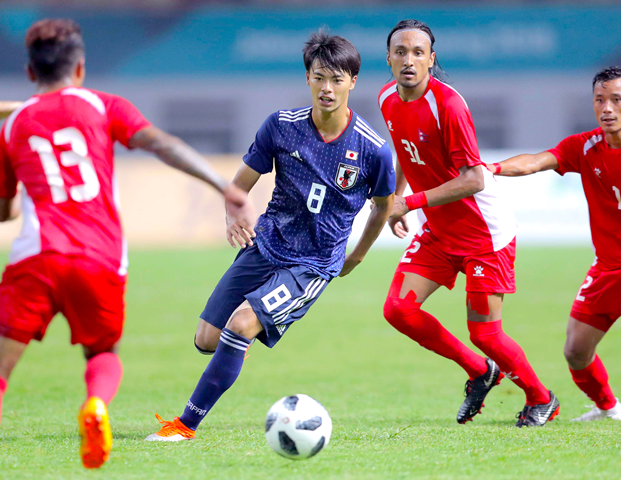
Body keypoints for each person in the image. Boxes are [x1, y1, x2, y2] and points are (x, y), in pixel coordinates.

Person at [0, 19, 254, 469]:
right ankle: (95, 404)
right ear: (80, 67)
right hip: (99, 256)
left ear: (29, 73)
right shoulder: (104, 105)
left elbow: (6, 212)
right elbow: (162, 144)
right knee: (101, 353)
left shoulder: (13, 125)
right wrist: (223, 185)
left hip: (37, 256)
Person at [145, 31, 395, 441]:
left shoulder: (373, 150)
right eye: (319, 78)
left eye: (336, 79)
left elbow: (382, 206)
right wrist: (231, 216)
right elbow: (238, 186)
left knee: (241, 324)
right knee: (206, 339)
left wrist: (357, 256)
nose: (327, 88)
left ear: (353, 81)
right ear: (308, 79)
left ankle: (184, 427)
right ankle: (236, 347)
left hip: (311, 264)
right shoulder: (281, 127)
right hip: (266, 245)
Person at [379, 19, 558, 427]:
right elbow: (402, 148)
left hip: (484, 235)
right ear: (388, 59)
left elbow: (475, 178)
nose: (409, 60)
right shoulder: (388, 98)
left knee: (485, 334)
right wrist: (395, 196)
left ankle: (541, 398)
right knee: (398, 310)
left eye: (418, 53)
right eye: (401, 52)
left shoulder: (450, 105)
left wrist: (410, 202)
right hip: (439, 231)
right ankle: (480, 371)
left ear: (431, 59)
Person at [488, 66, 621, 422]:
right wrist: (489, 168)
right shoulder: (584, 147)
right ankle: (607, 408)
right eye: (599, 100)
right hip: (608, 266)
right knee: (575, 351)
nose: (606, 108)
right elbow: (535, 162)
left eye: (616, 100)